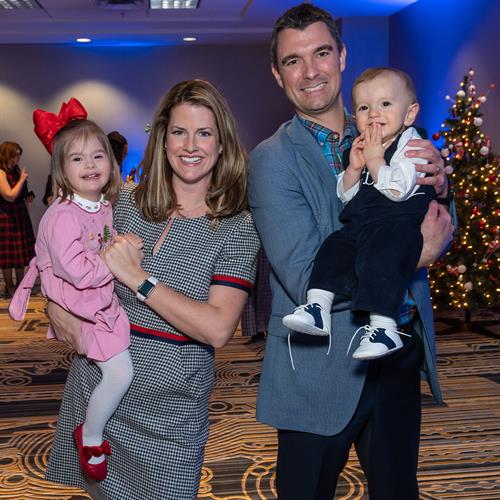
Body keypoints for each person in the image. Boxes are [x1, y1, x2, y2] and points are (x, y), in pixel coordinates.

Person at [248, 4, 454, 499]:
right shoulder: (271, 160)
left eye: (321, 53)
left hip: (396, 349)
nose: (310, 71)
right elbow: (304, 274)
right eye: (293, 60)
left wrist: (442, 187)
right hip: (319, 368)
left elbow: (437, 220)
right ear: (277, 74)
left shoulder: (395, 129)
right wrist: (413, 255)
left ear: (341, 57)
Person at [44, 80, 260, 499]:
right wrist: (55, 306)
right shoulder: (125, 203)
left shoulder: (237, 226)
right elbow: (63, 258)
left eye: (204, 133)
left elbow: (218, 328)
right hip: (98, 395)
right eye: (179, 132)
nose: (190, 146)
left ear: (221, 145)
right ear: (162, 140)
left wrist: (138, 279)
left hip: (169, 415)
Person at [9, 97, 133, 483]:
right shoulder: (62, 214)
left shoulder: (102, 205)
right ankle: (90, 437)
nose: (90, 165)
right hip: (82, 304)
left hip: (99, 301)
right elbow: (78, 271)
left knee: (115, 369)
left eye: (98, 156)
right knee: (120, 373)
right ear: (61, 169)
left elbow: (102, 243)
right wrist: (119, 258)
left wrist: (116, 248)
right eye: (77, 159)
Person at [283, 67, 435, 360]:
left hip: (396, 227)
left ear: (409, 114)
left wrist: (375, 159)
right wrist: (353, 169)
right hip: (363, 225)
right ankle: (317, 307)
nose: (374, 113)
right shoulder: (364, 147)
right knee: (334, 247)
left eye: (385, 103)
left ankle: (384, 328)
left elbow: (397, 190)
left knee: (381, 261)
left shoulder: (413, 147)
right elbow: (348, 197)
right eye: (364, 107)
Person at [0, 141, 36, 297]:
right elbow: (9, 196)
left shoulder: (16, 170)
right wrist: (21, 180)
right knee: (7, 255)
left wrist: (27, 196)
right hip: (6, 217)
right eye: (15, 155)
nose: (18, 158)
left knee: (20, 253)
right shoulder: (1, 173)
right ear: (7, 155)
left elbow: (19, 194)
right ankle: (9, 286)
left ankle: (20, 284)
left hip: (19, 214)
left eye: (19, 155)